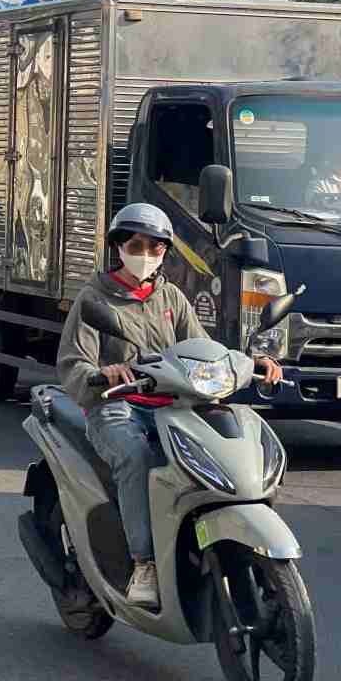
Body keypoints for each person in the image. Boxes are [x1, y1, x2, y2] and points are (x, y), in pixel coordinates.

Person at [57, 203, 282, 610]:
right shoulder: (94, 299)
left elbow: (203, 352)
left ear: (164, 253)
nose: (145, 254)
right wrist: (102, 373)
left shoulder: (171, 297)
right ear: (118, 247)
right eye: (136, 245)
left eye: (155, 247)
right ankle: (144, 563)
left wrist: (249, 364)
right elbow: (73, 364)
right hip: (116, 406)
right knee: (136, 456)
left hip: (170, 405)